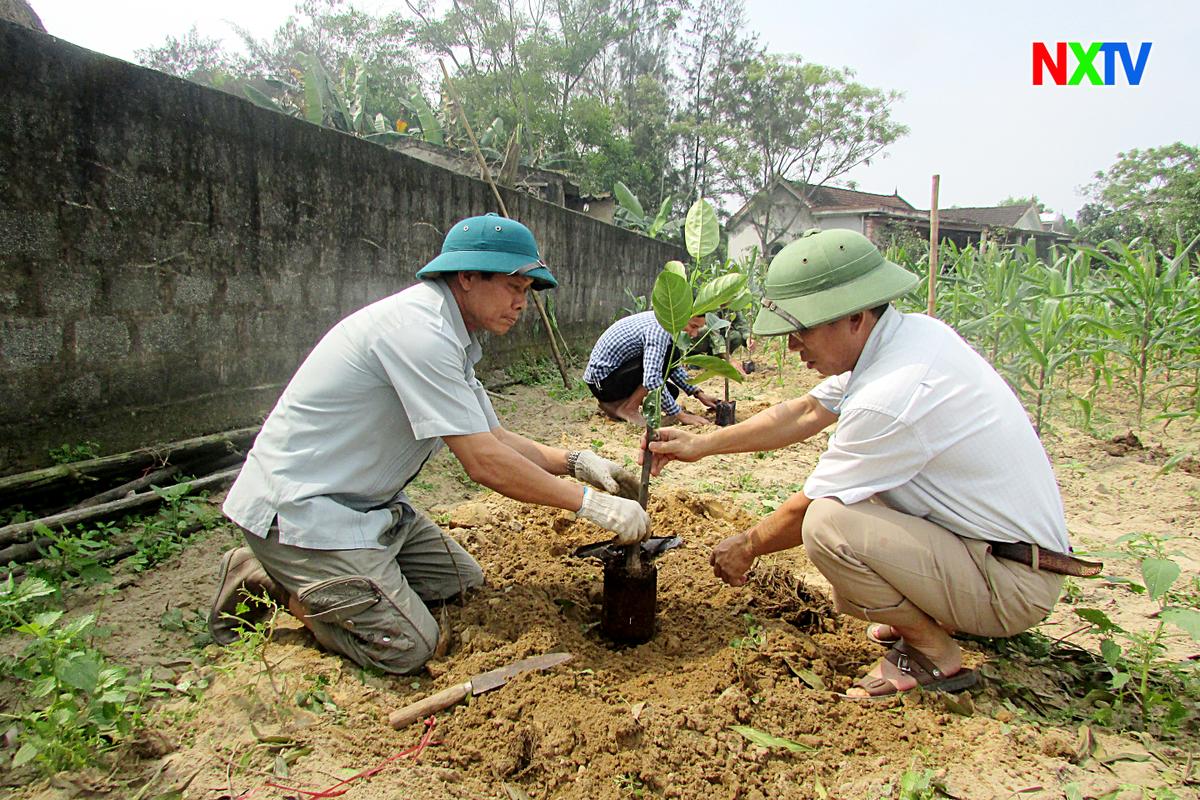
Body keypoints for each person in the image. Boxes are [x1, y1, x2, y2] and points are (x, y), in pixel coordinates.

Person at [644, 228, 1095, 698]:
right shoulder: (905, 339)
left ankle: (931, 655)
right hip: (993, 554)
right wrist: (703, 444)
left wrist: (747, 546)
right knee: (853, 566)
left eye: (802, 331)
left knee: (828, 526)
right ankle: (933, 613)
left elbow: (808, 508)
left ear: (855, 317)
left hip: (1012, 584)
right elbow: (804, 411)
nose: (793, 347)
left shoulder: (893, 393)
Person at [209, 214, 649, 675]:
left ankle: (352, 578)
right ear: (466, 277)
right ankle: (274, 583)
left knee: (460, 583)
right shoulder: (418, 332)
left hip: (369, 508)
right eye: (513, 287)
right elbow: (483, 463)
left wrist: (578, 462)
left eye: (526, 292)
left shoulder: (452, 338)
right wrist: (590, 506)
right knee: (409, 648)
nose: (522, 304)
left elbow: (494, 438)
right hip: (303, 512)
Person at [582, 310, 718, 426]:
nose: (694, 334)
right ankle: (629, 408)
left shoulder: (665, 320)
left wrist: (698, 393)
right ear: (681, 317)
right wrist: (681, 416)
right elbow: (651, 379)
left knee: (671, 391)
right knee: (666, 360)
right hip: (603, 383)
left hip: (612, 377)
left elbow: (672, 367)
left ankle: (614, 406)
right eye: (693, 326)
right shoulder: (659, 329)